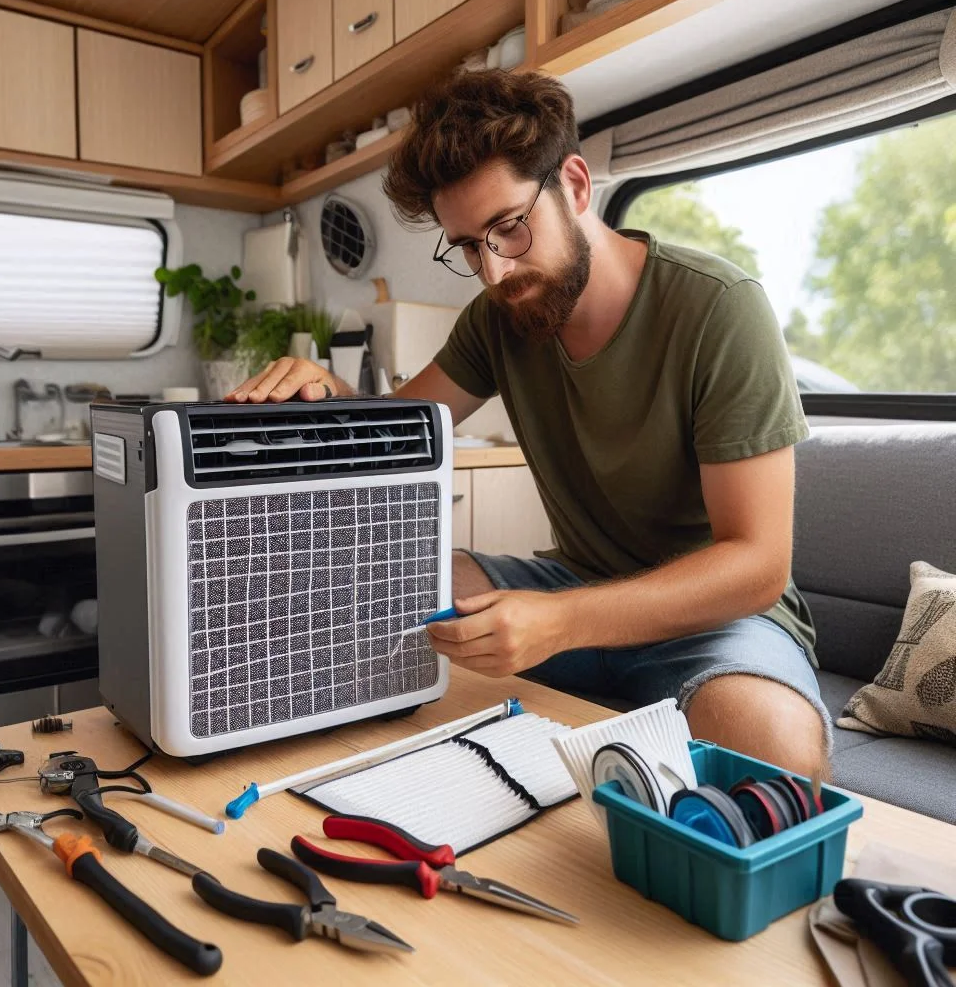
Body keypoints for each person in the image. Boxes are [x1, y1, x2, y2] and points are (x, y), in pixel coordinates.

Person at [227, 69, 829, 778]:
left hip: (709, 621)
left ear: (575, 186)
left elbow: (758, 565)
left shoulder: (718, 308)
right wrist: (332, 397)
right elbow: (398, 435)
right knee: (392, 582)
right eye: (468, 247)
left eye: (508, 229)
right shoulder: (499, 316)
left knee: (773, 753)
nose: (492, 271)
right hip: (572, 585)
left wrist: (563, 622)